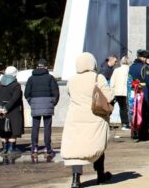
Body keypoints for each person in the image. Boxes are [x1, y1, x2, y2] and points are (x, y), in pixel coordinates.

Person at [61, 52, 113, 188]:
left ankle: (75, 179)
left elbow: (68, 93)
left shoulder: (72, 79)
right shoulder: (98, 77)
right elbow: (109, 96)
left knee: (76, 150)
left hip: (75, 118)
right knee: (97, 145)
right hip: (94, 117)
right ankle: (100, 175)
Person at [24, 58, 60, 160]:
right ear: (46, 67)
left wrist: (31, 102)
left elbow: (26, 93)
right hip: (48, 103)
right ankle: (47, 149)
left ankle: (34, 149)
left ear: (37, 66)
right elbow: (56, 92)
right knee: (47, 127)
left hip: (35, 104)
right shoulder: (50, 78)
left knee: (35, 127)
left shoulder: (31, 78)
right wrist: (53, 103)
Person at [0, 65, 24, 155]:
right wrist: (7, 108)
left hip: (1, 110)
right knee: (13, 130)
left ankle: (4, 148)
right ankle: (11, 149)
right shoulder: (16, 85)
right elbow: (15, 98)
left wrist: (0, 107)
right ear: (14, 75)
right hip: (14, 110)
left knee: (3, 130)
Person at [128, 49, 149, 140]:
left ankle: (134, 131)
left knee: (134, 111)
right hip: (143, 90)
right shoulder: (144, 67)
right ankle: (143, 133)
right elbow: (148, 82)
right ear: (143, 58)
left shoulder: (131, 67)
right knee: (143, 112)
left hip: (133, 90)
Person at [109, 56, 131, 130]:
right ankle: (127, 123)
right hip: (127, 92)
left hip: (118, 92)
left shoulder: (116, 70)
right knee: (128, 108)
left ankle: (124, 124)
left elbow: (112, 83)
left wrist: (112, 91)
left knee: (122, 108)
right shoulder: (129, 70)